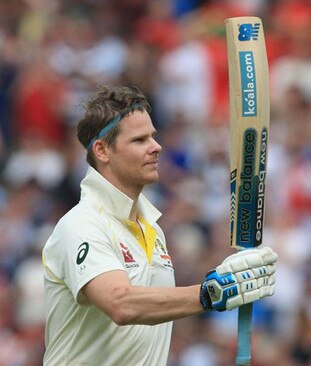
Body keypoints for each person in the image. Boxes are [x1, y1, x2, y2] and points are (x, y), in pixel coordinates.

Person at [42, 85, 278, 365]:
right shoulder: (81, 224)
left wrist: (233, 276)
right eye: (139, 140)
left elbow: (153, 317)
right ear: (102, 150)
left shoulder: (152, 229)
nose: (156, 147)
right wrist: (211, 293)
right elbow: (121, 303)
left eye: (153, 136)